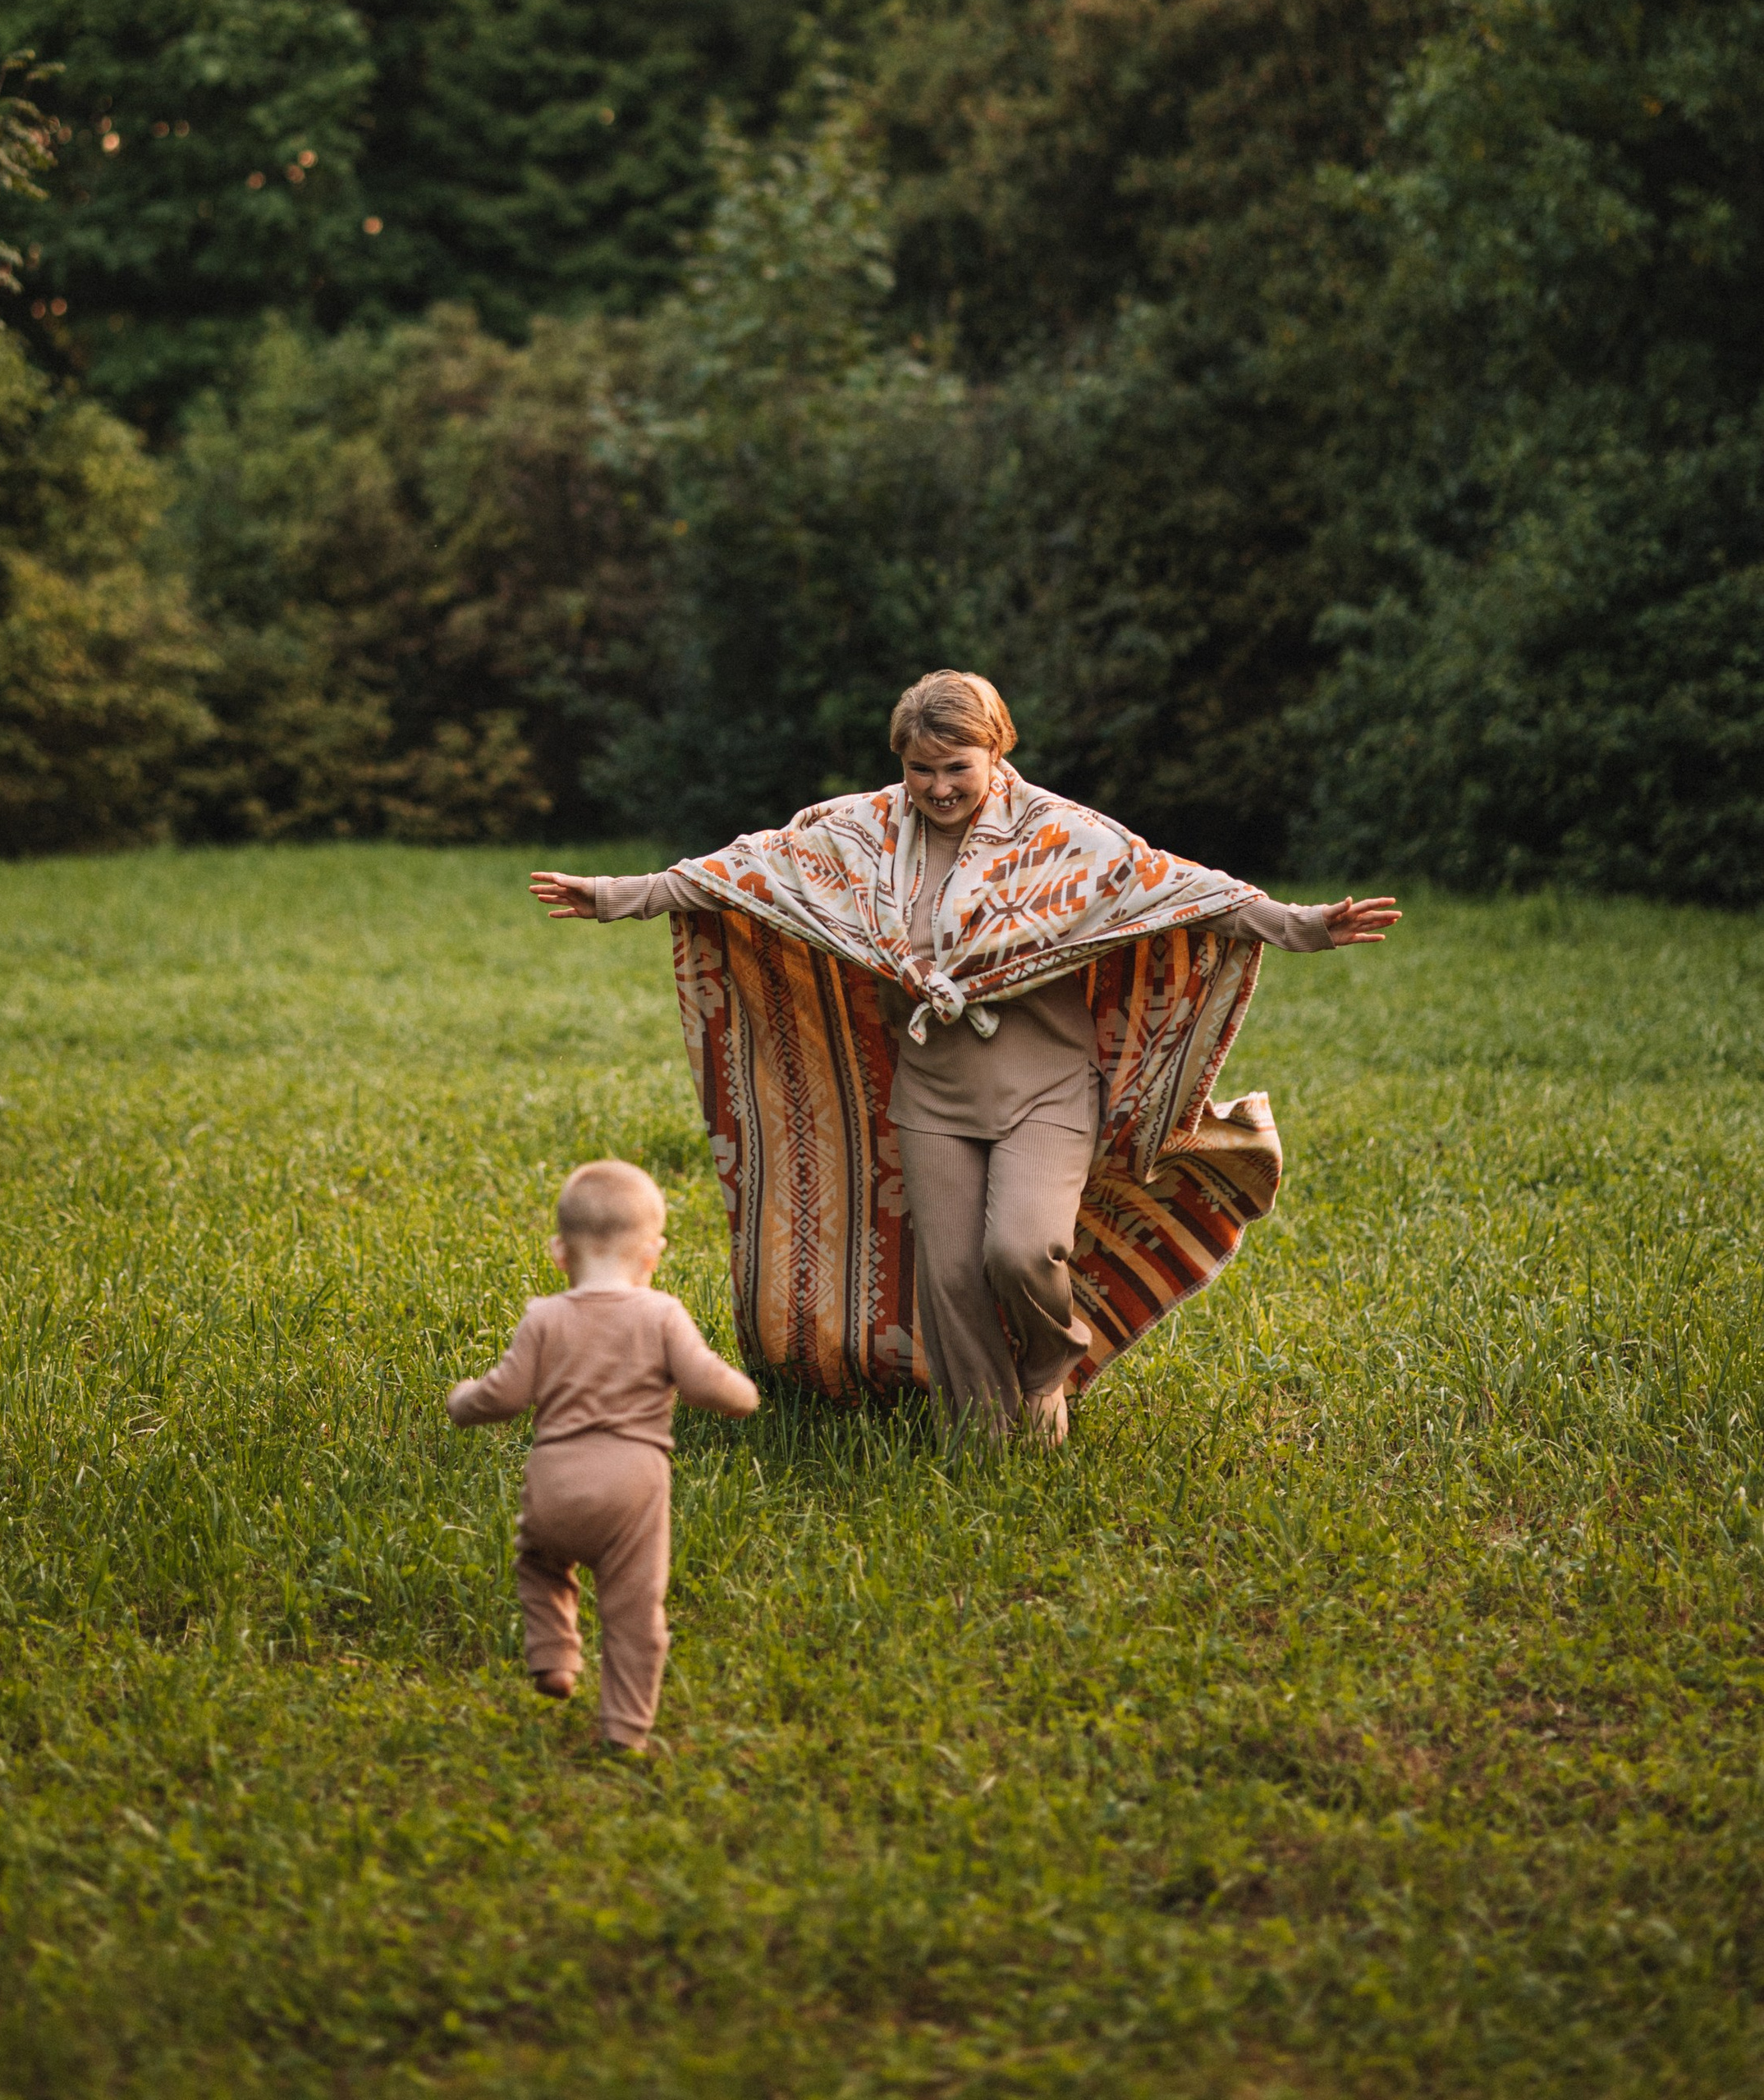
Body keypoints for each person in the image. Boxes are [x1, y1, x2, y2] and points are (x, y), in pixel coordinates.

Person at [530, 671, 1397, 1440]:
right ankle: (989, 1437)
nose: (939, 787)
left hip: (1046, 1090)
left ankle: (1048, 1367)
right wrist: (615, 896)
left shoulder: (1061, 837)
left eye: (958, 768)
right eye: (921, 769)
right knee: (946, 1278)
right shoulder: (864, 833)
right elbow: (747, 870)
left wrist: (1303, 926)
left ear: (996, 754)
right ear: (901, 764)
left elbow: (1179, 889)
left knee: (1020, 1253)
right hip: (933, 1090)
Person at [447, 1157, 758, 1750]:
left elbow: (504, 1396)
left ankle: (556, 1660)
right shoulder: (662, 1313)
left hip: (554, 1483)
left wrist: (462, 1401)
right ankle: (623, 1728)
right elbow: (704, 1385)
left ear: (559, 1253)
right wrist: (744, 1393)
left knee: (539, 1564)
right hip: (633, 1487)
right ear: (653, 1255)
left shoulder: (544, 1317)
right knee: (635, 1615)